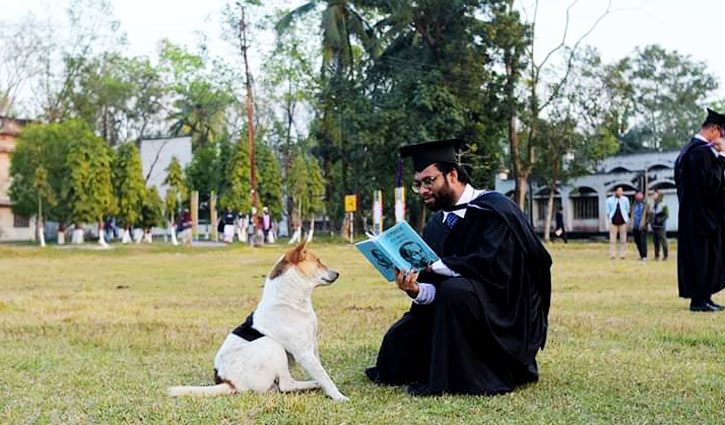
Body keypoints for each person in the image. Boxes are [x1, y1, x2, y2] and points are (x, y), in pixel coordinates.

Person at [365, 139, 552, 396]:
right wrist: (416, 290)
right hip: (455, 309)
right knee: (397, 345)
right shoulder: (437, 225)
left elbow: (495, 270)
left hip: (502, 316)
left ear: (452, 174)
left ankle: (469, 376)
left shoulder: (495, 212)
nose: (422, 190)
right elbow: (436, 290)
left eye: (429, 181)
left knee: (456, 290)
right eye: (418, 184)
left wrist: (436, 265)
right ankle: (442, 365)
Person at [674, 108, 725, 312]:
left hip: (692, 215)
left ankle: (704, 297)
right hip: (703, 216)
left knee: (701, 256)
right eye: (721, 133)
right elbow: (711, 184)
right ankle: (699, 300)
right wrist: (721, 156)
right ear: (713, 130)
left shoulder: (688, 151)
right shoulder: (699, 153)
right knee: (703, 257)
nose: (722, 137)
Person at [605, 186, 630, 259]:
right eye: (619, 191)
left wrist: (626, 219)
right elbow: (608, 211)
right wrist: (609, 218)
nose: (620, 192)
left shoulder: (625, 199)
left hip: (623, 221)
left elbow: (627, 210)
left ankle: (623, 254)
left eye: (621, 191)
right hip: (613, 222)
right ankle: (612, 254)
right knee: (612, 239)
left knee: (623, 239)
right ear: (615, 191)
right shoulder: (609, 200)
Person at [629, 191, 650, 261]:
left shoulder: (646, 205)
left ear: (642, 196)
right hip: (635, 225)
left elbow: (649, 215)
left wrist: (645, 223)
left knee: (643, 241)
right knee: (637, 241)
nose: (638, 196)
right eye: (637, 195)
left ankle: (644, 256)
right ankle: (641, 255)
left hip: (643, 226)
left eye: (640, 195)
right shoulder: (633, 205)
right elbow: (631, 214)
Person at [650, 189, 669, 261]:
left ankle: (666, 255)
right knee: (656, 242)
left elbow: (666, 215)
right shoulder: (653, 205)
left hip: (661, 226)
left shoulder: (663, 205)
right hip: (654, 226)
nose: (654, 196)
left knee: (663, 241)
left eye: (655, 194)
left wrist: (660, 220)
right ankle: (656, 255)